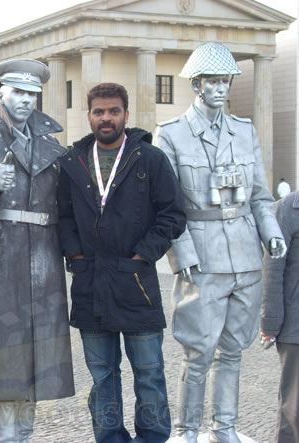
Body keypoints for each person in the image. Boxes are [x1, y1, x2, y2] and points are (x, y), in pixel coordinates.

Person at [154, 42, 286, 442]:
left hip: (245, 257)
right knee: (198, 354)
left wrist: (272, 232)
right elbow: (166, 204)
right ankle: (187, 430)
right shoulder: (173, 134)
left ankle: (225, 427)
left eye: (225, 81)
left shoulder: (245, 132)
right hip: (203, 257)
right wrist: (183, 255)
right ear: (196, 85)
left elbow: (261, 196)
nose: (221, 89)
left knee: (232, 352)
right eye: (212, 81)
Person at [0, 58, 74, 441]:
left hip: (44, 257)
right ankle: (7, 438)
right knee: (4, 356)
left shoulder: (51, 143)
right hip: (0, 256)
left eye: (32, 94)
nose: (25, 100)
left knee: (39, 358)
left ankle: (24, 435)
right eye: (17, 91)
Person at [57, 82, 186, 442]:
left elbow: (173, 214)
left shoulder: (149, 158)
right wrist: (76, 255)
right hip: (90, 285)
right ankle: (110, 438)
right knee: (101, 377)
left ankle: (153, 438)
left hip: (136, 284)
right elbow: (63, 217)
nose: (106, 118)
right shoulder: (73, 163)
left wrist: (143, 254)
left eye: (114, 111)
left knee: (149, 373)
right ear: (89, 116)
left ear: (126, 115)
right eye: (99, 111)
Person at [261, 190, 299, 443]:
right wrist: (270, 323)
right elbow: (273, 269)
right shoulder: (286, 209)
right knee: (293, 408)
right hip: (296, 326)